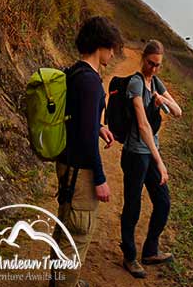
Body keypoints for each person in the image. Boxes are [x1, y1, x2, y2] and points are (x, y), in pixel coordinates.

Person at [55, 16, 123, 287]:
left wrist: (98, 127)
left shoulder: (76, 73)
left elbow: (81, 120)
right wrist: (100, 178)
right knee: (76, 237)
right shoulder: (91, 82)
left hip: (67, 164)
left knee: (64, 229)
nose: (113, 53)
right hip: (80, 171)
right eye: (112, 47)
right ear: (101, 46)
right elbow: (85, 140)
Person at [120, 39, 182, 278]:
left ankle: (150, 250)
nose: (154, 68)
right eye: (150, 63)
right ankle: (129, 256)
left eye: (158, 65)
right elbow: (144, 126)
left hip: (149, 154)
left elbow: (177, 112)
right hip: (136, 155)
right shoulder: (135, 84)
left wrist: (162, 99)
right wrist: (160, 161)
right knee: (133, 206)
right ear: (143, 58)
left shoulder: (156, 82)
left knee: (163, 202)